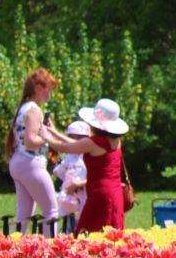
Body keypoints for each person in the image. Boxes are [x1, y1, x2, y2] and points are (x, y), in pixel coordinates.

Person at [45, 98, 129, 233]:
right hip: (115, 193)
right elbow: (74, 144)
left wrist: (45, 136)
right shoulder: (116, 141)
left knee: (86, 235)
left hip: (99, 195)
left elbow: (67, 147)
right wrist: (54, 132)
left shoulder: (94, 142)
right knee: (111, 238)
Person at [8, 68, 63, 231]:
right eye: (48, 89)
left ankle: (13, 251)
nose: (49, 94)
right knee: (51, 211)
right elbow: (31, 141)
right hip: (31, 163)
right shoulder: (34, 110)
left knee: (23, 215)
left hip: (18, 162)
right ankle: (52, 252)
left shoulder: (23, 107)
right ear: (38, 88)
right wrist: (46, 136)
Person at [54, 120, 90, 222]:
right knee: (68, 223)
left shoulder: (90, 156)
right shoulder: (70, 155)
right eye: (72, 137)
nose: (76, 140)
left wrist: (78, 183)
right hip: (70, 196)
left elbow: (96, 177)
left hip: (86, 195)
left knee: (83, 223)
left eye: (81, 138)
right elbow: (59, 171)